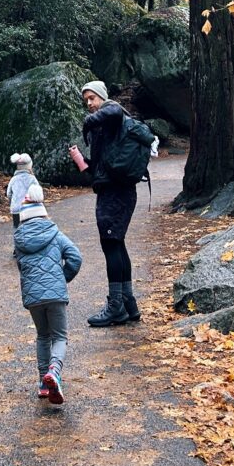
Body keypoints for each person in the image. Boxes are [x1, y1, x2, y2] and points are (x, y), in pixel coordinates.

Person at [69, 79, 141, 327]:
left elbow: (113, 109)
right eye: (86, 100)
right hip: (112, 191)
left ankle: (116, 307)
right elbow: (98, 168)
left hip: (117, 194)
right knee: (116, 245)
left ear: (101, 97)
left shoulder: (111, 112)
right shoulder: (104, 129)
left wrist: (88, 121)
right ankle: (128, 304)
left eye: (92, 98)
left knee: (111, 245)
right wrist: (82, 162)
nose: (89, 104)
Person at [13, 184, 82, 404]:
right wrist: (62, 278)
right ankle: (54, 371)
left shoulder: (19, 240)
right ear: (43, 212)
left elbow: (21, 267)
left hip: (33, 298)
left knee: (43, 336)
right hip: (56, 295)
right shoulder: (56, 235)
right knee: (60, 336)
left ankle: (44, 383)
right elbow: (75, 258)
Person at [5, 151, 42, 230]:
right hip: (29, 207)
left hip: (16, 209)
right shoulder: (32, 178)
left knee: (17, 228)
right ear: (29, 166)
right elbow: (38, 192)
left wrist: (12, 201)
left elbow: (8, 193)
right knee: (29, 228)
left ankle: (18, 241)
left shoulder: (13, 179)